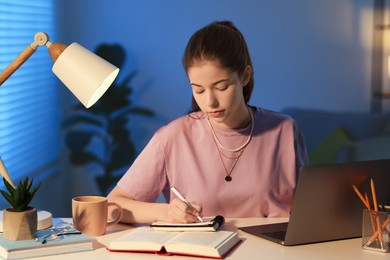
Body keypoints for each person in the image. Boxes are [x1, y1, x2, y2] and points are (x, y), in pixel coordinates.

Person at [107, 20, 308, 224]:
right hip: (201, 253)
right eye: (199, 90)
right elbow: (112, 205)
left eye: (221, 87)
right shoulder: (173, 136)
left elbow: (308, 210)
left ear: (245, 76)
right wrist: (167, 212)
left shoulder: (285, 130)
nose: (210, 102)